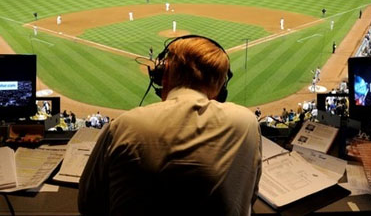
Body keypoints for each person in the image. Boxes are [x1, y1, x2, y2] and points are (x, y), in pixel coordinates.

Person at [79, 36, 261, 215]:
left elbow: (88, 204)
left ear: (163, 73)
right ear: (221, 87)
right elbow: (249, 198)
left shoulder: (125, 125)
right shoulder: (246, 123)